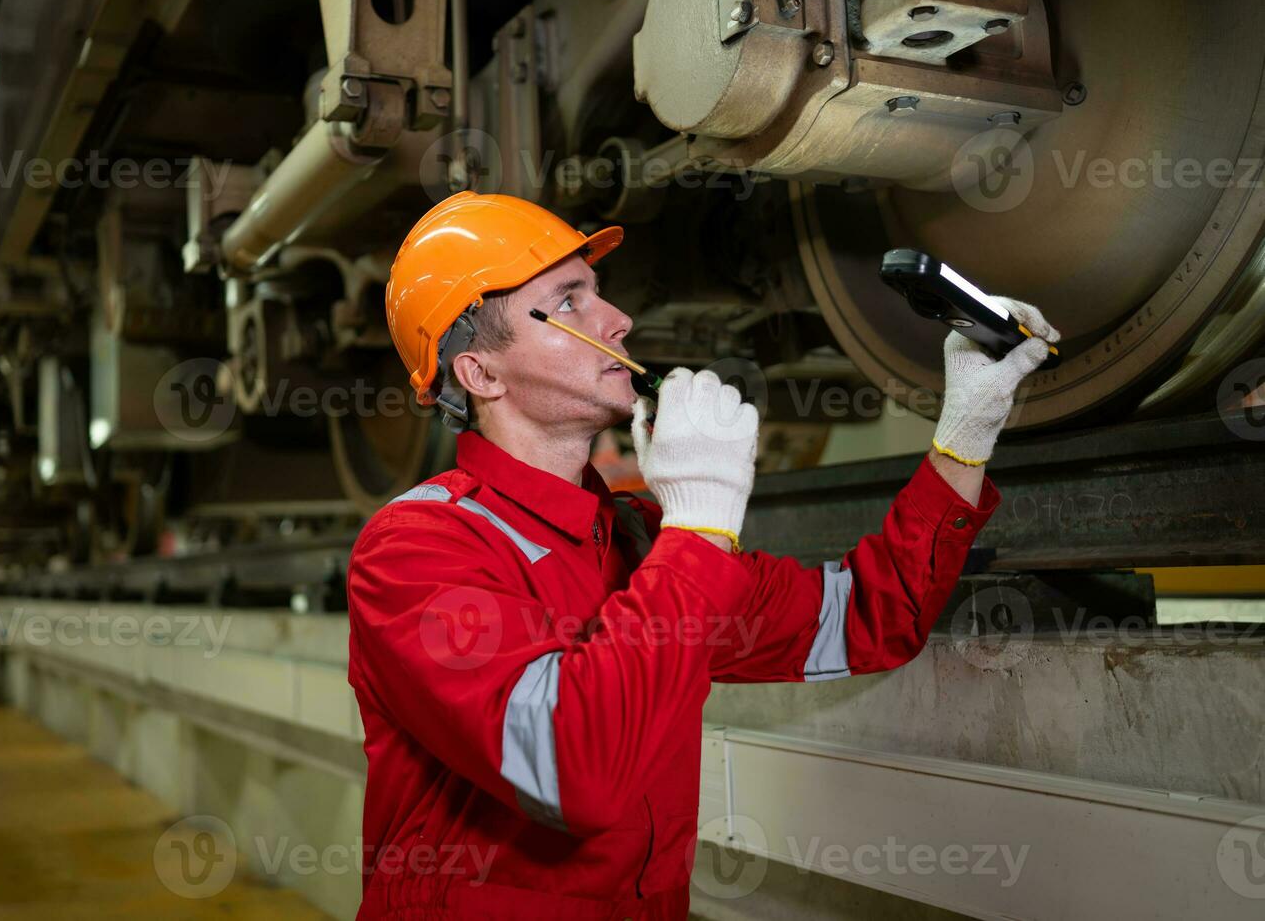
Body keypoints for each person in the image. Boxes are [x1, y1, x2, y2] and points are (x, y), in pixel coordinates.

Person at [346, 190, 1060, 919]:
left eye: (599, 293)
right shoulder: (415, 552)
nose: (616, 319)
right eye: (567, 304)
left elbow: (867, 617)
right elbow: (572, 771)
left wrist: (965, 433)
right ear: (481, 375)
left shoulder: (640, 538)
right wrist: (700, 525)